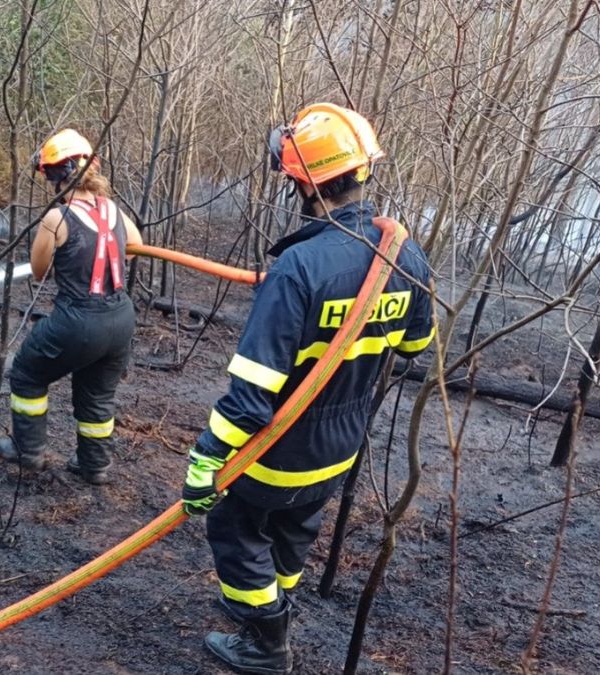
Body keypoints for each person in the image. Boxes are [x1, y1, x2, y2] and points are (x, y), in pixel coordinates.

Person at [180, 103, 435, 674]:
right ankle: (276, 604)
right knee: (294, 527)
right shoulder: (406, 254)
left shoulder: (299, 268)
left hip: (277, 450)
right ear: (363, 169)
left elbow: (251, 395)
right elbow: (416, 348)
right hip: (341, 446)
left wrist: (205, 461)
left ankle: (266, 642)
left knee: (234, 528)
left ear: (300, 179)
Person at [0, 129, 143, 485]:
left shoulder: (56, 218)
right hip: (121, 319)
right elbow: (135, 244)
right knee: (97, 394)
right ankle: (94, 466)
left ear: (55, 175)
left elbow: (40, 270)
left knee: (27, 373)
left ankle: (27, 452)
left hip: (78, 320)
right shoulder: (113, 209)